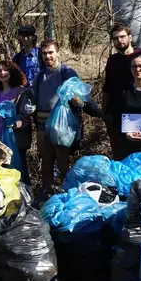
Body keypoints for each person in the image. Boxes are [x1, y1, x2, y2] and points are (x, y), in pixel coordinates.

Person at [28, 40, 102, 186]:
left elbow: (82, 100)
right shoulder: (39, 77)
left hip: (63, 127)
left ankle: (67, 192)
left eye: (51, 52)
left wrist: (78, 102)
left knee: (63, 165)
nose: (47, 56)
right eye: (44, 53)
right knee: (46, 164)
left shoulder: (67, 73)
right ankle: (47, 194)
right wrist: (29, 108)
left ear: (58, 53)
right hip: (43, 127)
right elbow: (34, 99)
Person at [101, 23, 141, 159]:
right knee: (119, 154)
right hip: (115, 113)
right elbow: (107, 87)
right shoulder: (112, 60)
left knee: (137, 154)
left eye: (122, 37)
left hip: (136, 113)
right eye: (115, 38)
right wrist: (105, 112)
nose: (120, 40)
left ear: (130, 37)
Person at [0, 60, 32, 178]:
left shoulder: (21, 92)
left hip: (16, 141)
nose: (2, 73)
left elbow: (26, 117)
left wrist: (14, 124)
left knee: (19, 173)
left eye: (5, 70)